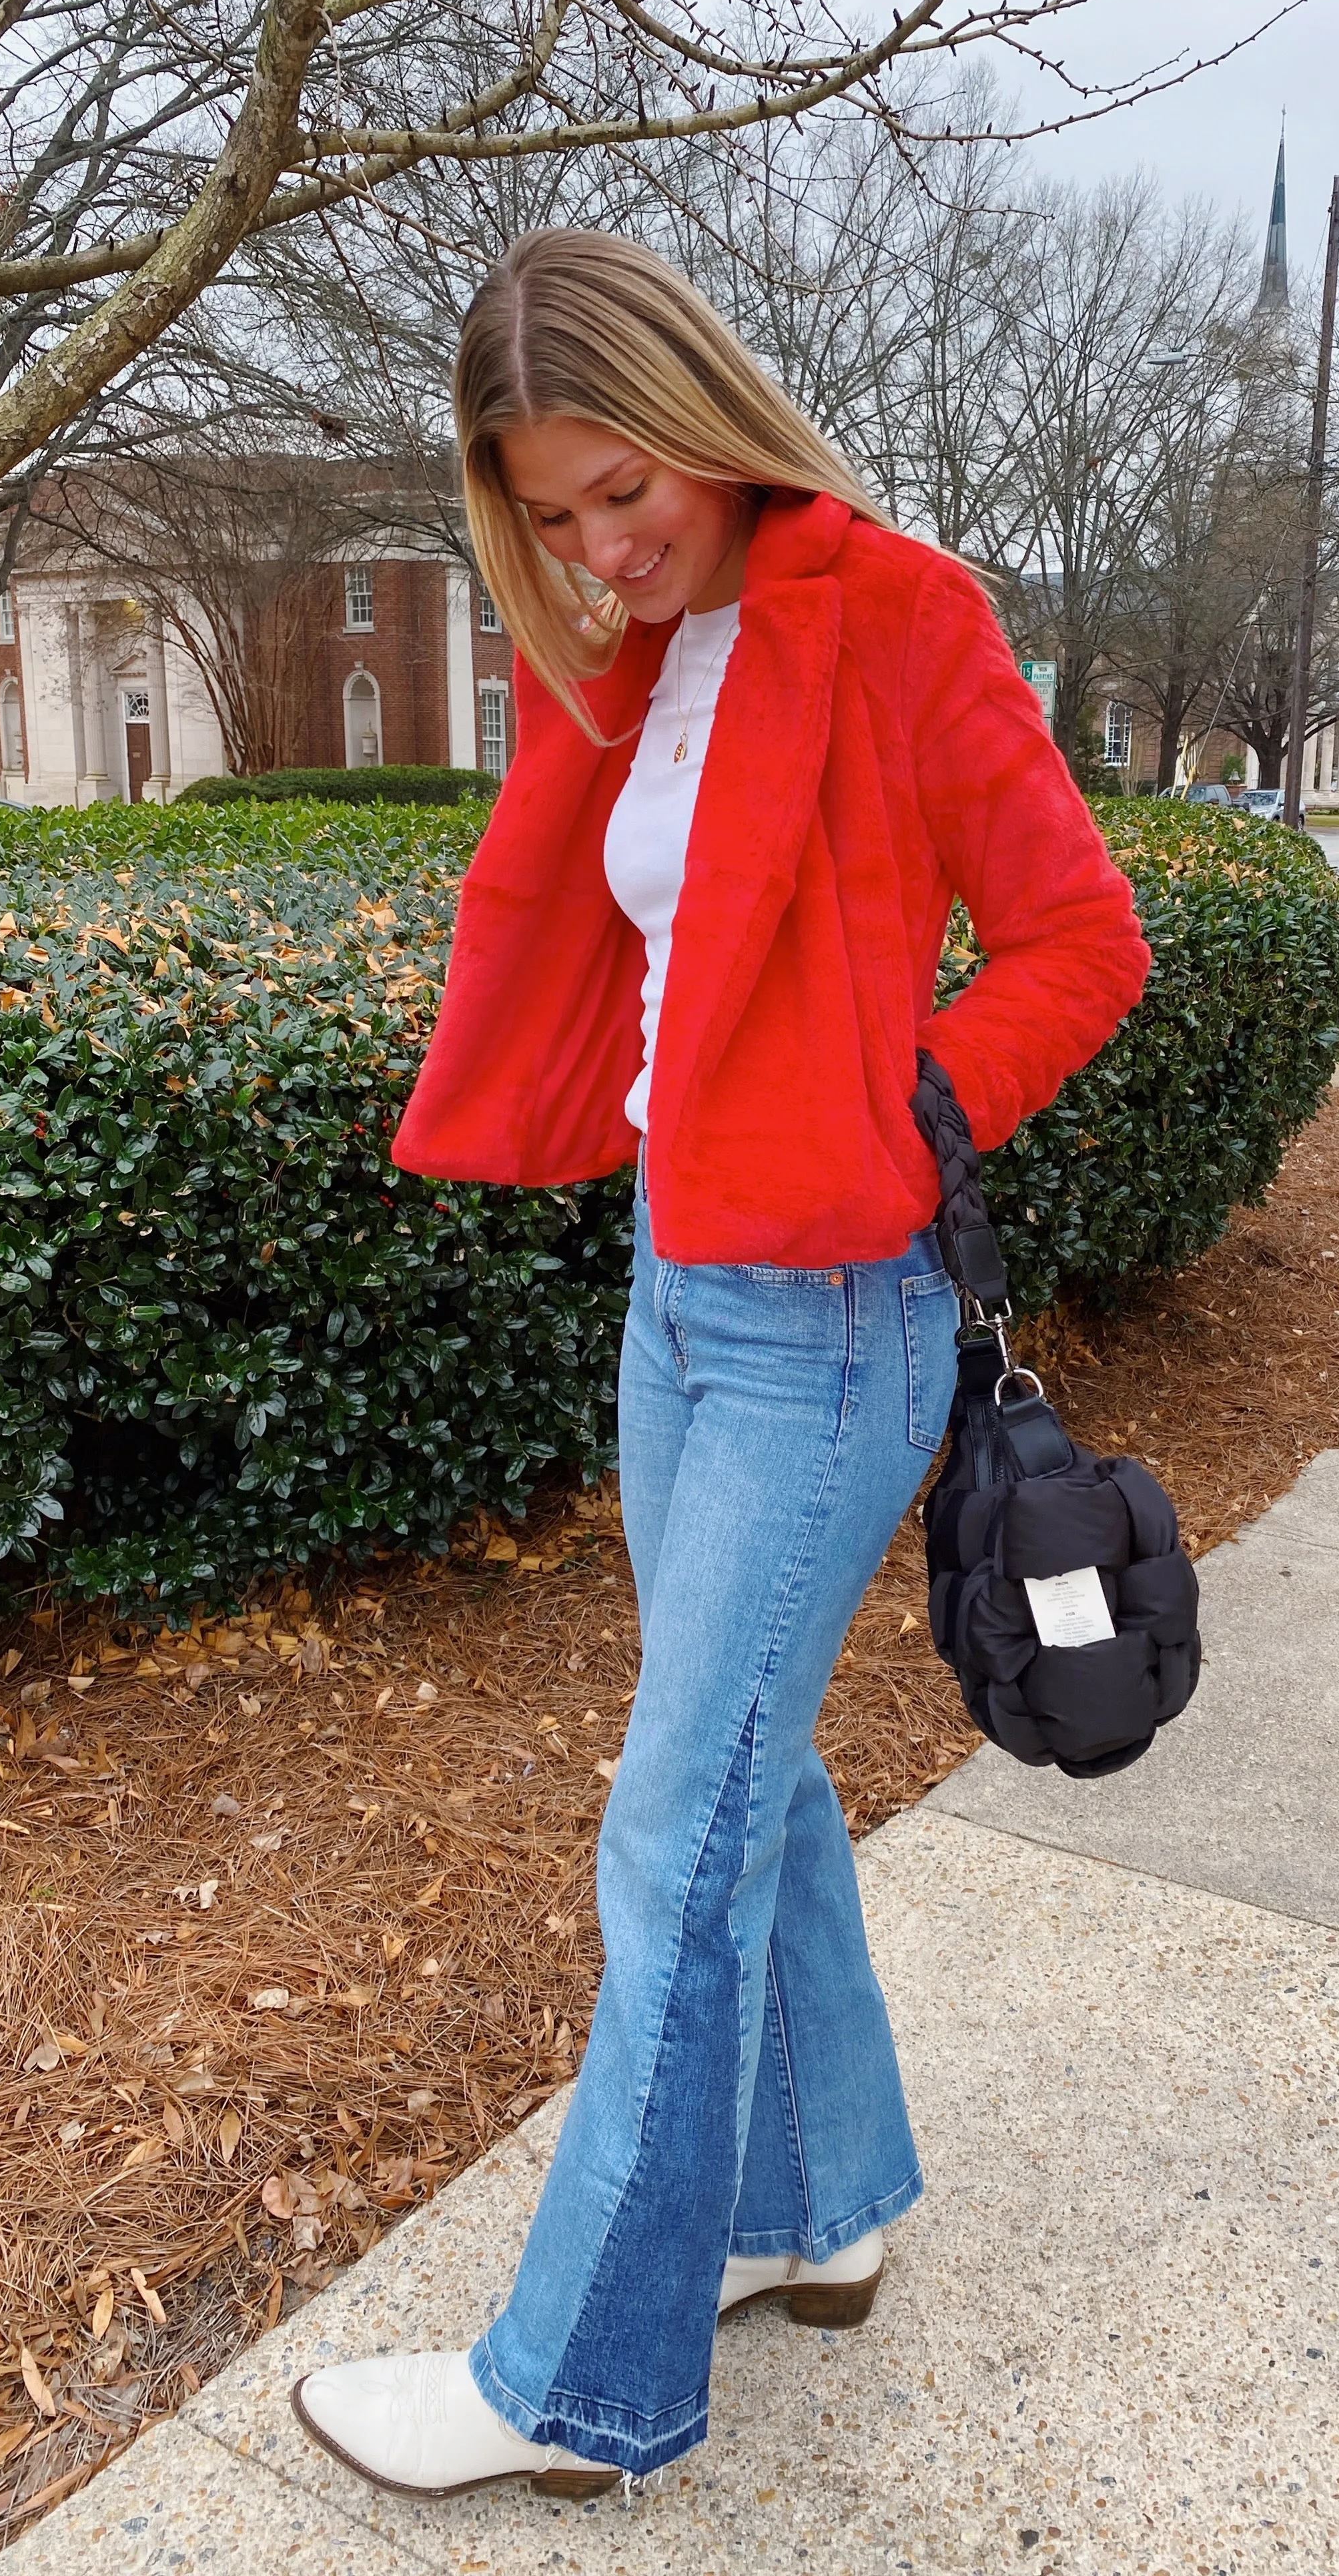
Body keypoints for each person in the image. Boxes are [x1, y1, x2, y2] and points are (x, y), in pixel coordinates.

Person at [290, 228, 1151, 2500]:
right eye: (551, 515)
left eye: (621, 488)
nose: (597, 542)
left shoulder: (895, 611)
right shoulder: (644, 658)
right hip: (679, 1288)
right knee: (746, 1785)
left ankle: (576, 2379)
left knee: (671, 1829)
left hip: (828, 1311)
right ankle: (820, 2211)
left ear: (704, 411)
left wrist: (911, 1110)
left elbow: (1083, 938)